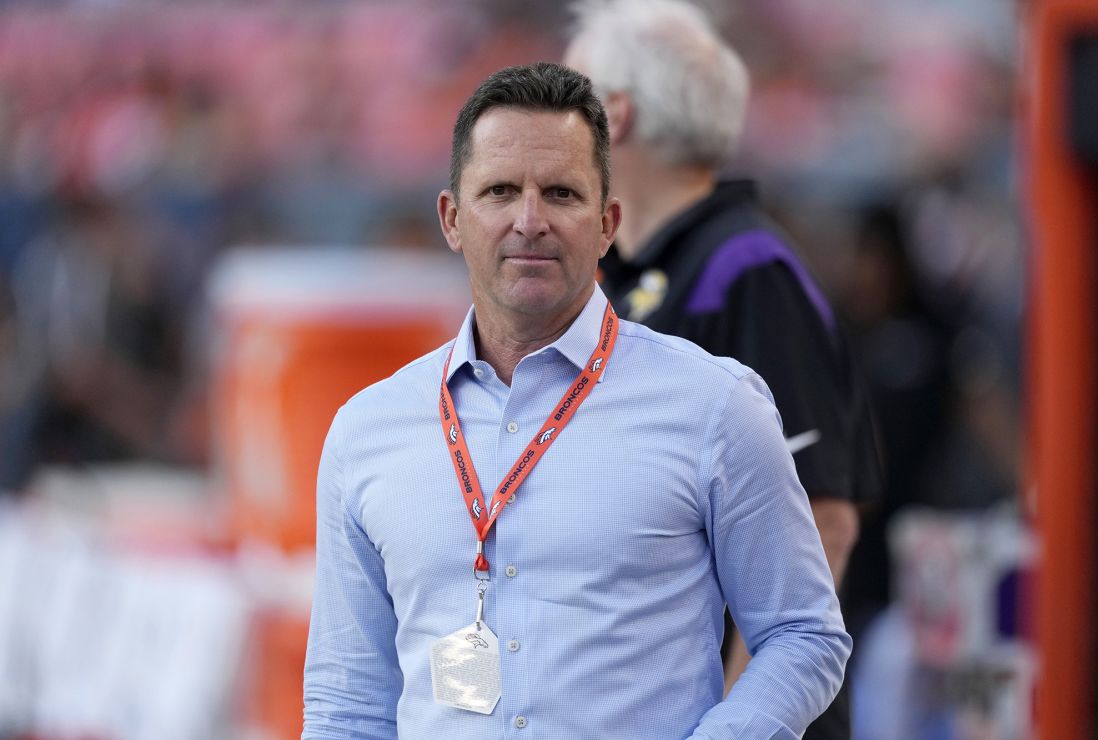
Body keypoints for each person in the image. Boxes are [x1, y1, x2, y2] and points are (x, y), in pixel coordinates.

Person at [302, 62, 849, 739]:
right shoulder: (367, 432)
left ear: (607, 224)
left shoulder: (715, 406)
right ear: (451, 218)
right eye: (499, 191)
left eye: (560, 194)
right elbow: (347, 703)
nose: (529, 221)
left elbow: (803, 634)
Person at [564, 2, 883, 737]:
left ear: (615, 113)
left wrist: (737, 722)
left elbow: (823, 519)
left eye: (566, 91)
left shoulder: (747, 269)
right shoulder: (632, 276)